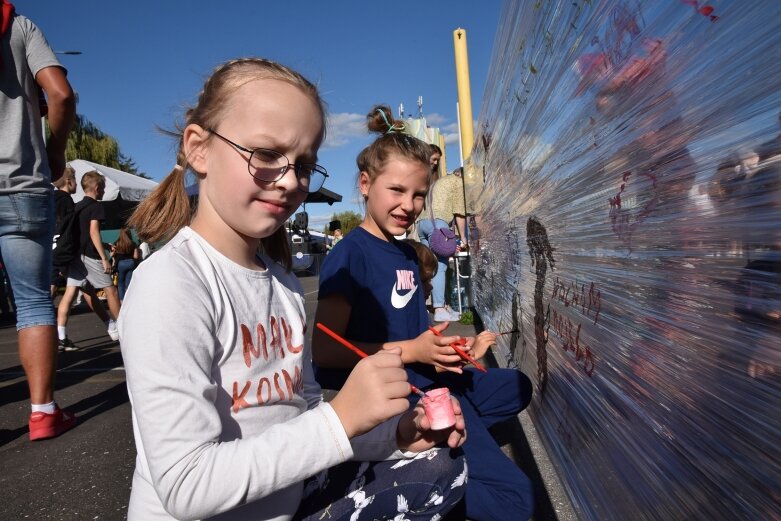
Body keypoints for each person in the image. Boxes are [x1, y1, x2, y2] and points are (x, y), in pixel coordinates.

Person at [118, 58, 467, 521]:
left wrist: (398, 435)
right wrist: (340, 419)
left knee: (443, 467)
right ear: (199, 150)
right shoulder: (171, 282)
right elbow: (187, 483)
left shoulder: (282, 286)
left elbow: (302, 419)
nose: (288, 180)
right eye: (265, 154)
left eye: (303, 165)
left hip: (286, 500)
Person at [313, 104, 535, 521]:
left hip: (431, 376)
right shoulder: (348, 255)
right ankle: (423, 485)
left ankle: (445, 446)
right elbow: (325, 351)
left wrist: (450, 345)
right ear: (365, 184)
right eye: (396, 191)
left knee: (517, 387)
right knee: (516, 499)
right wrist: (413, 353)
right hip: (403, 395)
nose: (409, 205)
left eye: (418, 194)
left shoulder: (408, 254)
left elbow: (417, 329)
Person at [0, 1, 77, 440]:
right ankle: (43, 411)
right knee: (31, 303)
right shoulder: (21, 27)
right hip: (21, 185)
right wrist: (55, 151)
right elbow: (61, 94)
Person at [56, 171, 121, 347]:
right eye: (103, 188)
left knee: (81, 293)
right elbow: (93, 232)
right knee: (111, 290)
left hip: (75, 255)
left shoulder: (76, 206)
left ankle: (61, 334)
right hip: (89, 255)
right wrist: (104, 257)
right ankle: (123, 327)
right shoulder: (96, 206)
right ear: (97, 188)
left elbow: (81, 233)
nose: (103, 192)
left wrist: (105, 245)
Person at [417, 160, 468, 322]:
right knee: (440, 266)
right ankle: (439, 308)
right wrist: (463, 238)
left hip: (423, 224)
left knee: (426, 266)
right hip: (438, 224)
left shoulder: (440, 182)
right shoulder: (458, 183)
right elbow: (459, 213)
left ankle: (432, 305)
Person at [110, 227, 139, 301]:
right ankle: (129, 300)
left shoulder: (116, 243)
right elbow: (136, 256)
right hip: (130, 263)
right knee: (128, 283)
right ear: (129, 233)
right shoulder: (133, 243)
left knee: (120, 284)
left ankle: (122, 301)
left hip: (121, 264)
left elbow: (112, 254)